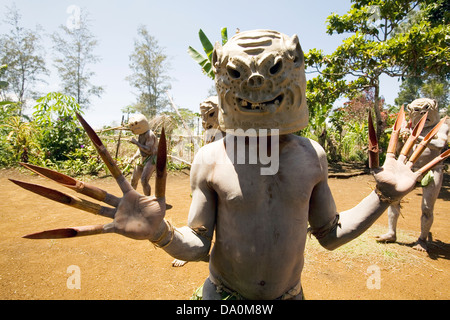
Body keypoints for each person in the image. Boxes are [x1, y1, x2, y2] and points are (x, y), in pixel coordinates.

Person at [16, 30, 449, 300]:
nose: (257, 84)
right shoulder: (211, 157)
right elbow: (199, 245)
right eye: (241, 74)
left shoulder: (310, 154)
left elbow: (330, 235)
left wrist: (381, 196)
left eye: (273, 69)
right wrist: (162, 234)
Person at [376, 98, 449, 252]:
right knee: (393, 200)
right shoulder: (408, 128)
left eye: (426, 109)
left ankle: (422, 239)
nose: (423, 113)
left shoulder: (441, 126)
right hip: (408, 170)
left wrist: (415, 136)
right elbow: (399, 151)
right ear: (410, 113)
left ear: (435, 109)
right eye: (417, 111)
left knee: (427, 207)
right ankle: (391, 232)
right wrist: (403, 138)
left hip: (432, 170)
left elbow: (439, 144)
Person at [127, 114, 158, 196]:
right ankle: (131, 198)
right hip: (142, 158)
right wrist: (133, 157)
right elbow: (140, 149)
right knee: (133, 179)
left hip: (151, 159)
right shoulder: (141, 135)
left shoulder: (150, 134)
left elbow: (149, 150)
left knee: (144, 180)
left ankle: (147, 200)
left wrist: (136, 143)